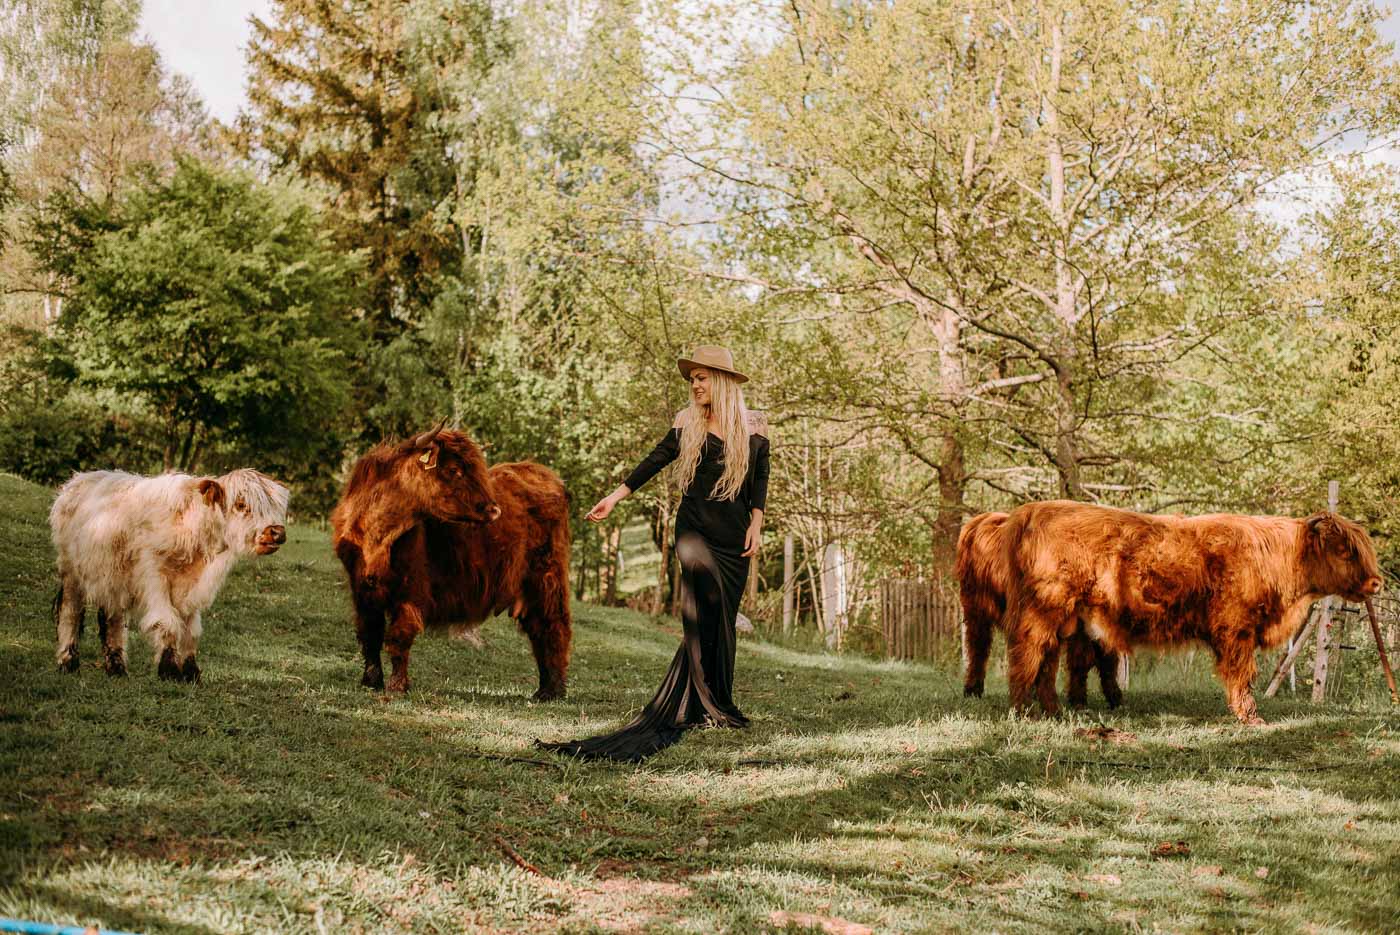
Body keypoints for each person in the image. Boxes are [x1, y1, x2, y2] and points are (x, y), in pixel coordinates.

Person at [539, 345, 770, 762]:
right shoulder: (687, 423)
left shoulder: (753, 426)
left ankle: (715, 702)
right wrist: (615, 497)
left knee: (722, 617)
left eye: (701, 377)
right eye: (692, 379)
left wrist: (757, 522)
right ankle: (703, 704)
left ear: (721, 381)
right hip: (694, 532)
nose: (694, 385)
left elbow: (760, 479)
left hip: (735, 537)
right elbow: (655, 460)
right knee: (701, 609)